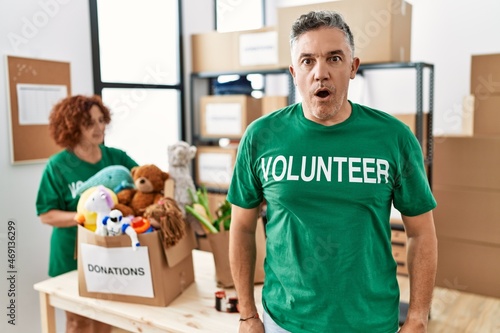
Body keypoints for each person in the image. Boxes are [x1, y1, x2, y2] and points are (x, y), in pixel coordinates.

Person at [227, 10, 437, 333]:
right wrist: (247, 314)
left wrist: (418, 315)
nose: (320, 73)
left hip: (372, 323)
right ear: (293, 71)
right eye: (308, 61)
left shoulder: (394, 138)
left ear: (353, 67)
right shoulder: (260, 137)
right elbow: (241, 228)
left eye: (334, 58)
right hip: (285, 322)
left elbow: (421, 233)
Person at [36, 95, 138, 333]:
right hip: (70, 257)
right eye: (89, 123)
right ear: (72, 127)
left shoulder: (117, 158)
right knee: (78, 322)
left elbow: (142, 186)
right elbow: (46, 215)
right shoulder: (58, 165)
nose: (99, 127)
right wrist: (83, 217)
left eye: (101, 120)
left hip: (109, 256)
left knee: (105, 321)